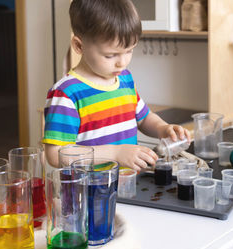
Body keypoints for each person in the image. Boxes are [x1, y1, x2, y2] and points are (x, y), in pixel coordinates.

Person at [43, 0, 191, 170]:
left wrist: (163, 129)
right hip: (88, 193)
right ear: (79, 46)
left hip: (128, 187)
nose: (122, 63)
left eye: (129, 51)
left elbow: (143, 118)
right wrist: (115, 153)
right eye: (110, 55)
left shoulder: (125, 79)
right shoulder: (66, 93)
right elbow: (55, 154)